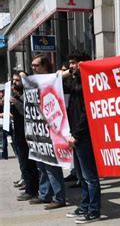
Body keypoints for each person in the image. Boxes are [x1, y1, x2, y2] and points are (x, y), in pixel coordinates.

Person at [61, 50, 102, 223]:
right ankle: (85, 206)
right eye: (70, 63)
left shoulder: (89, 82)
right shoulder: (76, 80)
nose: (71, 66)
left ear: (83, 63)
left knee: (90, 176)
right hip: (75, 135)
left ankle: (93, 210)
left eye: (74, 62)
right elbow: (60, 85)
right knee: (82, 175)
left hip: (84, 136)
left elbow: (87, 112)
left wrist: (76, 135)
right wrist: (67, 73)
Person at [27, 54, 67, 210]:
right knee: (41, 165)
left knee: (51, 166)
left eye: (36, 66)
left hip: (52, 130)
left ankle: (59, 197)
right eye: (32, 66)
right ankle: (45, 194)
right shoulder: (33, 83)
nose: (33, 68)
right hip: (38, 131)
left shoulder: (54, 80)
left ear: (45, 66)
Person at [10, 72, 40, 202]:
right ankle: (28, 186)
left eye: (17, 80)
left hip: (27, 134)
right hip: (18, 134)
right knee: (24, 163)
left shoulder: (28, 95)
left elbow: (27, 112)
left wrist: (16, 102)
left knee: (29, 164)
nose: (15, 83)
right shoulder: (16, 95)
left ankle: (32, 190)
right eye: (13, 81)